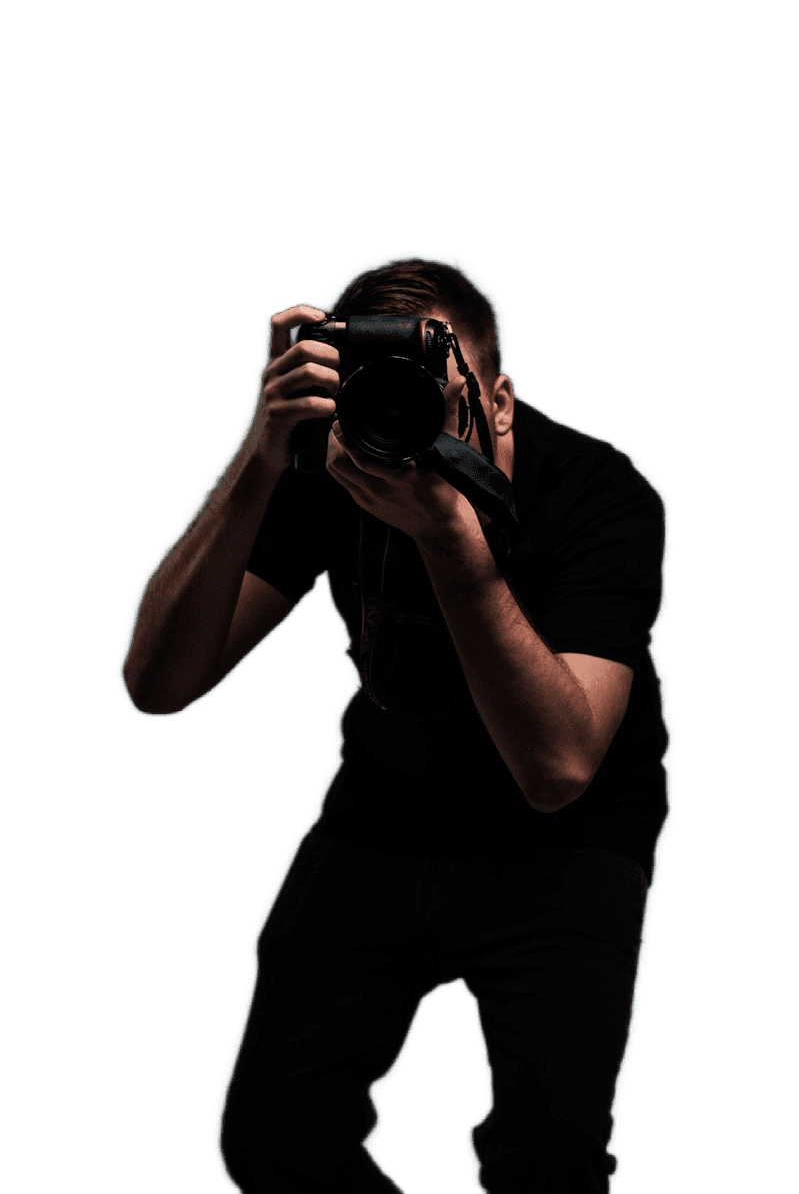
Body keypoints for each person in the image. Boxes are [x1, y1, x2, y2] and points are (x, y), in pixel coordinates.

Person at [124, 258, 668, 1194]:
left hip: (566, 837)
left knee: (549, 1153)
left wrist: (450, 540)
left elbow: (559, 767)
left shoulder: (597, 491)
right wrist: (261, 453)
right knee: (273, 1134)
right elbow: (159, 682)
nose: (405, 413)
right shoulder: (342, 462)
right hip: (387, 809)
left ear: (498, 402)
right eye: (381, 386)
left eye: (437, 389)